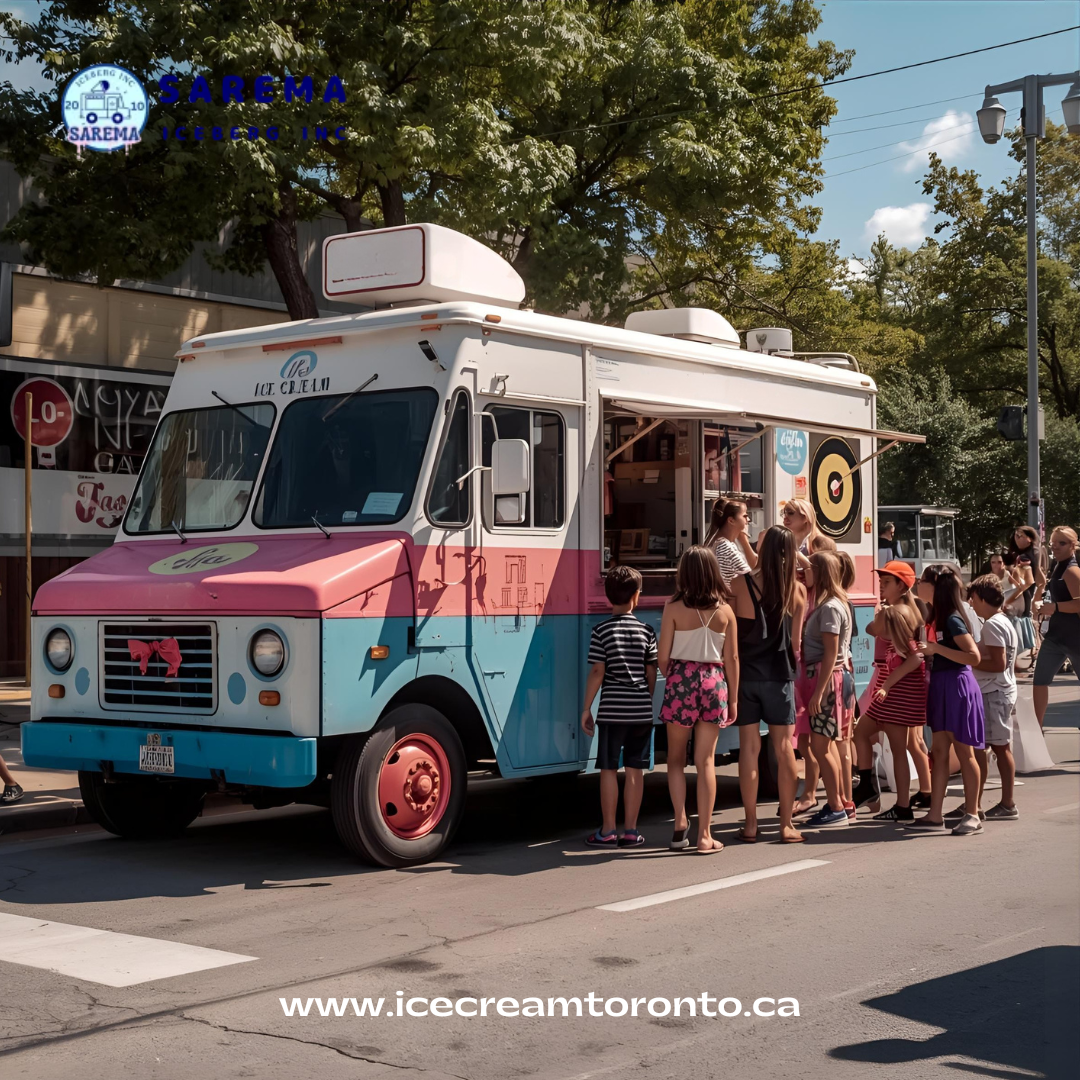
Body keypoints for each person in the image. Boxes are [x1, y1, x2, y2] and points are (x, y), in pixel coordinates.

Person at [659, 546, 739, 853]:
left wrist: (676, 676)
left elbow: (663, 656)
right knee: (705, 761)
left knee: (676, 759)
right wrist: (733, 699)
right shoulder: (725, 612)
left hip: (681, 678)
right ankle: (705, 835)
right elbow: (732, 658)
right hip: (714, 681)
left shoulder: (673, 607)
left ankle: (680, 821)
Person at [729, 525, 807, 843]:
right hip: (779, 677)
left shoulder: (740, 583)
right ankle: (786, 825)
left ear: (762, 550)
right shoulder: (797, 591)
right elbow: (796, 645)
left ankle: (750, 825)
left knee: (749, 750)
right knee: (784, 749)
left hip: (746, 676)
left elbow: (732, 637)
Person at [581, 565, 658, 848]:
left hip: (612, 712)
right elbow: (651, 671)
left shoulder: (600, 631)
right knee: (635, 769)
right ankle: (631, 831)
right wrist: (646, 698)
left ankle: (608, 830)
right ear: (636, 596)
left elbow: (597, 672)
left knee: (609, 769)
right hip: (640, 711)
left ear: (608, 596)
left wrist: (586, 708)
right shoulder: (646, 631)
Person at [908, 568, 985, 836]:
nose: (917, 584)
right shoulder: (935, 616)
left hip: (957, 686)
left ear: (935, 586)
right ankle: (934, 815)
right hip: (942, 685)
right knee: (939, 751)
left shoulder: (951, 618)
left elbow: (973, 656)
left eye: (922, 581)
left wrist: (936, 649)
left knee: (965, 752)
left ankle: (972, 814)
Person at [854, 561, 933, 812]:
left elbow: (913, 656)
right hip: (899, 686)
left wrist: (887, 685)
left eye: (887, 582)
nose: (881, 586)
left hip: (897, 688)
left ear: (901, 586)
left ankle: (901, 805)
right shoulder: (912, 609)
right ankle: (871, 787)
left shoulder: (892, 613)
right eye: (881, 581)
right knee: (864, 733)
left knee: (898, 748)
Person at [800, 551, 853, 830]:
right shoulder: (832, 603)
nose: (805, 573)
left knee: (821, 746)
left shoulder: (830, 607)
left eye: (809, 568)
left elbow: (832, 653)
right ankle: (839, 802)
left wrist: (819, 692)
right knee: (826, 745)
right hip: (827, 678)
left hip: (827, 679)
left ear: (820, 572)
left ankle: (835, 807)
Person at [966, 574, 1019, 820]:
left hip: (994, 692)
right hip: (997, 691)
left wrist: (970, 662)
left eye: (973, 598)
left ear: (982, 598)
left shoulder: (993, 624)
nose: (971, 603)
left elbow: (999, 663)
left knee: (999, 748)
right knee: (984, 749)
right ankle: (974, 803)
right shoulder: (1000, 621)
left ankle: (1007, 804)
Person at [1032, 526, 1080, 727]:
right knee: (1039, 680)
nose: (1055, 547)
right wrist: (1043, 602)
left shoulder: (1072, 570)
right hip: (1055, 637)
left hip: (1075, 638)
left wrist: (1055, 607)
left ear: (1073, 545)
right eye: (1053, 543)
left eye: (1061, 543)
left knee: (1040, 681)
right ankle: (1037, 727)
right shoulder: (1058, 567)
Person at [1006, 525, 1042, 665]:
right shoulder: (1030, 552)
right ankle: (1033, 653)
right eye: (1016, 536)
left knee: (1023, 621)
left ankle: (1031, 653)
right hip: (1025, 593)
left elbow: (1029, 581)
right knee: (1027, 622)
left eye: (1020, 536)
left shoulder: (1027, 555)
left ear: (1030, 538)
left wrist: (1014, 589)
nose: (1017, 539)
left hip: (1023, 593)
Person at [703, 498, 757, 586]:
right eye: (744, 516)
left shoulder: (720, 543)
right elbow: (751, 579)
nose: (748, 520)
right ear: (731, 520)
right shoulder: (724, 546)